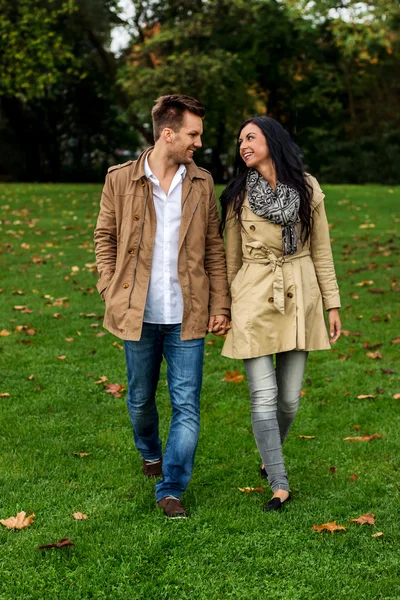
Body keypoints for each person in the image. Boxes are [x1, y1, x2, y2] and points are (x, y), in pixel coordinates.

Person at [94, 94, 230, 519]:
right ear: (167, 134)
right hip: (137, 312)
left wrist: (220, 303)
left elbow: (213, 248)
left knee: (187, 404)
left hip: (188, 313)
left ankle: (171, 488)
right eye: (193, 134)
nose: (198, 143)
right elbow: (105, 238)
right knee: (139, 399)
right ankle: (149, 451)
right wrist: (108, 287)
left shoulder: (202, 182)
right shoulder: (120, 179)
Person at [220, 116, 341, 511]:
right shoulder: (238, 195)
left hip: (300, 294)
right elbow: (230, 260)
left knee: (289, 400)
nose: (243, 145)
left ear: (272, 140)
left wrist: (332, 303)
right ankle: (279, 480)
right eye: (240, 140)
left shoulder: (307, 188)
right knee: (264, 395)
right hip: (254, 294)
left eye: (250, 137)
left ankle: (268, 455)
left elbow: (321, 251)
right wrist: (225, 307)